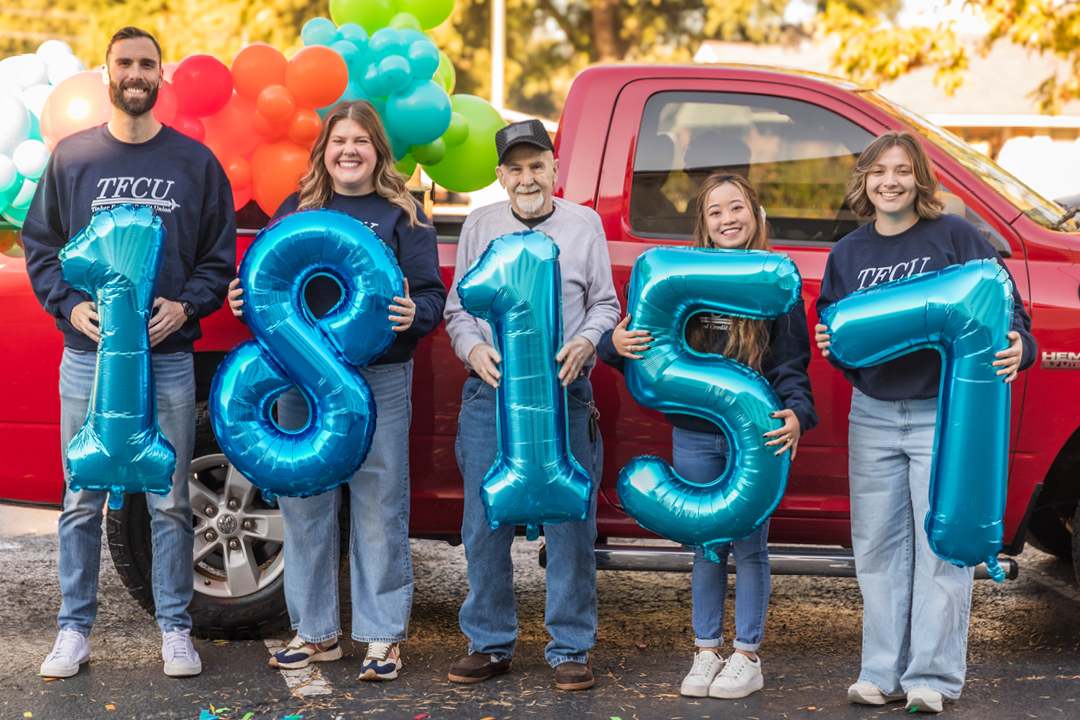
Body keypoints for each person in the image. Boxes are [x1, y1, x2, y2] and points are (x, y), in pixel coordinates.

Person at [22, 27, 235, 678]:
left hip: (165, 358)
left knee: (169, 498)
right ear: (107, 74)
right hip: (87, 357)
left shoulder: (195, 163)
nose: (136, 73)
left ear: (160, 77)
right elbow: (41, 245)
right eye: (125, 63)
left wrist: (188, 305)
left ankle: (175, 627)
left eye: (147, 64)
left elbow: (217, 257)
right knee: (81, 495)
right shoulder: (73, 159)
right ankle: (72, 631)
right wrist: (68, 304)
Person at [814, 131, 1036, 714]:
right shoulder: (848, 254)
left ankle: (931, 678)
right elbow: (837, 336)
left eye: (903, 170)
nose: (891, 181)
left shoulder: (955, 236)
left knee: (942, 546)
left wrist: (1024, 345)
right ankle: (879, 672)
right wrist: (830, 344)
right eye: (879, 171)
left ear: (920, 179)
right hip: (874, 416)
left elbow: (1006, 306)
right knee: (879, 548)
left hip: (944, 416)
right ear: (863, 180)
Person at [227, 100, 446, 681]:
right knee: (306, 505)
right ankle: (315, 633)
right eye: (339, 140)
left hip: (378, 379)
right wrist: (240, 301)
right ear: (324, 150)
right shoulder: (297, 208)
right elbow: (265, 284)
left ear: (378, 150)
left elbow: (432, 296)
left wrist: (412, 313)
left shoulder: (406, 213)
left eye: (361, 141)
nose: (349, 150)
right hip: (303, 377)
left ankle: (381, 637)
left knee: (380, 504)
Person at [598, 172, 817, 700]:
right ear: (704, 223)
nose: (727, 219)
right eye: (715, 211)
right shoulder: (683, 279)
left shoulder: (774, 284)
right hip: (697, 434)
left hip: (756, 437)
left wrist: (798, 413)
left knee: (751, 547)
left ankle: (747, 656)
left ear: (755, 214)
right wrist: (613, 343)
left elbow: (792, 363)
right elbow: (640, 348)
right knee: (707, 543)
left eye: (736, 207)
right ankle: (705, 650)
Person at [442, 119, 621, 691]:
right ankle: (489, 643)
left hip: (563, 395)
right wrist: (472, 350)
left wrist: (587, 340)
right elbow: (458, 309)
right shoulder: (480, 224)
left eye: (536, 165)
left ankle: (570, 646)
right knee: (482, 522)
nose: (527, 177)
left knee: (571, 525)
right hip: (490, 395)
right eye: (515, 168)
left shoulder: (583, 225)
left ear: (554, 169)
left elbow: (606, 305)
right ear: (500, 176)